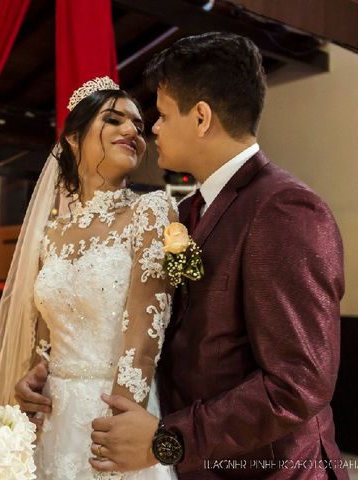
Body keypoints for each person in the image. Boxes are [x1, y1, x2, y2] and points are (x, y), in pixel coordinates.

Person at [88, 33, 348, 479]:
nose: (153, 128)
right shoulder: (187, 212)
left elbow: (299, 383)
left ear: (202, 117)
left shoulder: (284, 209)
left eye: (164, 115)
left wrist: (168, 440)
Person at [0, 77, 178, 479]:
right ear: (73, 138)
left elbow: (143, 338)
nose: (132, 132)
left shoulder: (150, 212)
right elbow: (45, 337)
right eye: (114, 120)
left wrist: (117, 435)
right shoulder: (50, 232)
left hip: (114, 411)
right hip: (53, 418)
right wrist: (32, 379)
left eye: (138, 126)